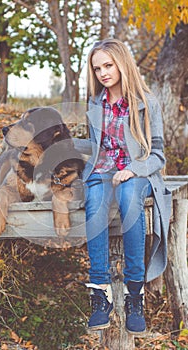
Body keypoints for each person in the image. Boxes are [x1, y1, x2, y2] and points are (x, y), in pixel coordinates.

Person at [73, 38, 172, 334]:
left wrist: (132, 169)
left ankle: (134, 294)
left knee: (129, 196)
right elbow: (94, 146)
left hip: (137, 173)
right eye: (97, 68)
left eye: (108, 65)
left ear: (121, 64)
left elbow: (158, 155)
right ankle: (100, 292)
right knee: (95, 198)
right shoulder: (95, 102)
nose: (103, 72)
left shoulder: (146, 102)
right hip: (103, 172)